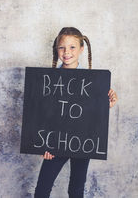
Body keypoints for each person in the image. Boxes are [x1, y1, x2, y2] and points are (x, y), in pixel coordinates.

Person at [34, 27, 118, 198]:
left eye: (72, 47)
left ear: (81, 49)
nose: (67, 52)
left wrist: (106, 103)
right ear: (56, 49)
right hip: (55, 143)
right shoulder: (47, 82)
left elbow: (93, 113)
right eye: (62, 47)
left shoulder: (93, 83)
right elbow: (41, 115)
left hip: (82, 142)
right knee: (42, 190)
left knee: (76, 190)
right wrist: (43, 143)